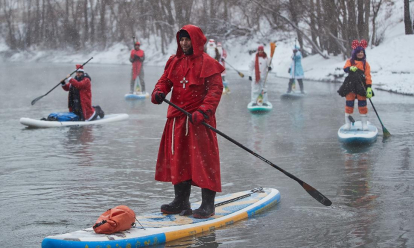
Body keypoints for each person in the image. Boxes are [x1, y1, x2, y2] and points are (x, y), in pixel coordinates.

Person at [151, 25, 224, 219]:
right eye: (181, 39)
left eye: (187, 39)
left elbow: (215, 91)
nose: (184, 43)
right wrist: (159, 92)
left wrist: (203, 111)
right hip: (177, 120)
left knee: (204, 161)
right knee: (179, 159)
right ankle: (181, 202)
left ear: (196, 41)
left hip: (199, 121)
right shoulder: (174, 62)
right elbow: (165, 81)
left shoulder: (208, 63)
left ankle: (208, 205)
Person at [337, 39, 373, 131]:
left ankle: (364, 124)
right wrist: (350, 68)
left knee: (362, 104)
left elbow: (368, 76)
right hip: (350, 85)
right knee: (349, 103)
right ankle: (348, 124)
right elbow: (345, 68)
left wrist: (368, 88)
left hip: (361, 85)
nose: (360, 53)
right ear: (355, 53)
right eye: (358, 52)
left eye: (362, 52)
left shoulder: (366, 64)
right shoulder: (350, 61)